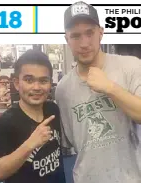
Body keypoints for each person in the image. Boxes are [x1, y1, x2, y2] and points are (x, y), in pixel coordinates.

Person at [55, 1, 141, 183]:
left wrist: (110, 88)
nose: (84, 43)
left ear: (101, 33)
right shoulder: (63, 89)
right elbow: (72, 140)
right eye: (76, 36)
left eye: (90, 33)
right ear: (67, 39)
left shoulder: (130, 66)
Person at [0, 49, 66, 183]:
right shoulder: (5, 123)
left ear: (50, 84)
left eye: (43, 81)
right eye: (29, 80)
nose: (36, 87)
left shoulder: (52, 110)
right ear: (17, 83)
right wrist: (31, 143)